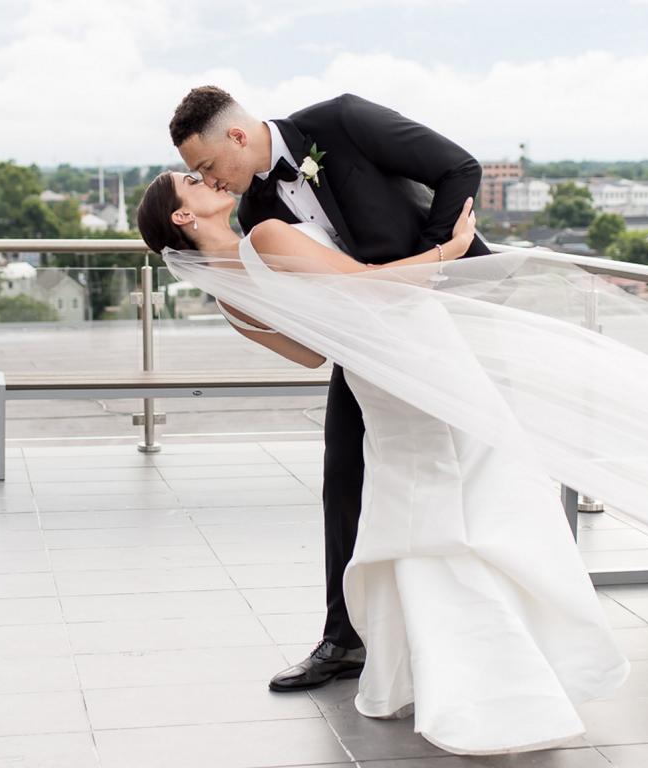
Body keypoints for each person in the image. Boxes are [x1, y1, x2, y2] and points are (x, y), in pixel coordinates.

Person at [135, 172, 630, 755]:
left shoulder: (227, 298)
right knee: (484, 496)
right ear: (183, 218)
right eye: (191, 181)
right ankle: (506, 674)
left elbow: (311, 353)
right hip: (417, 356)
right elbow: (371, 284)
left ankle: (441, 673)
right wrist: (448, 250)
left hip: (377, 381)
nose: (208, 178)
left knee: (427, 513)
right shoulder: (266, 234)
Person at [166, 87, 492, 693]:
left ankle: (477, 619)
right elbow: (316, 316)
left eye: (208, 167)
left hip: (445, 309)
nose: (211, 179)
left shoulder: (341, 121)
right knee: (343, 473)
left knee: (473, 470)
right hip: (366, 339)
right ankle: (345, 640)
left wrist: (436, 262)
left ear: (236, 136)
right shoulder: (253, 212)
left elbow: (458, 168)